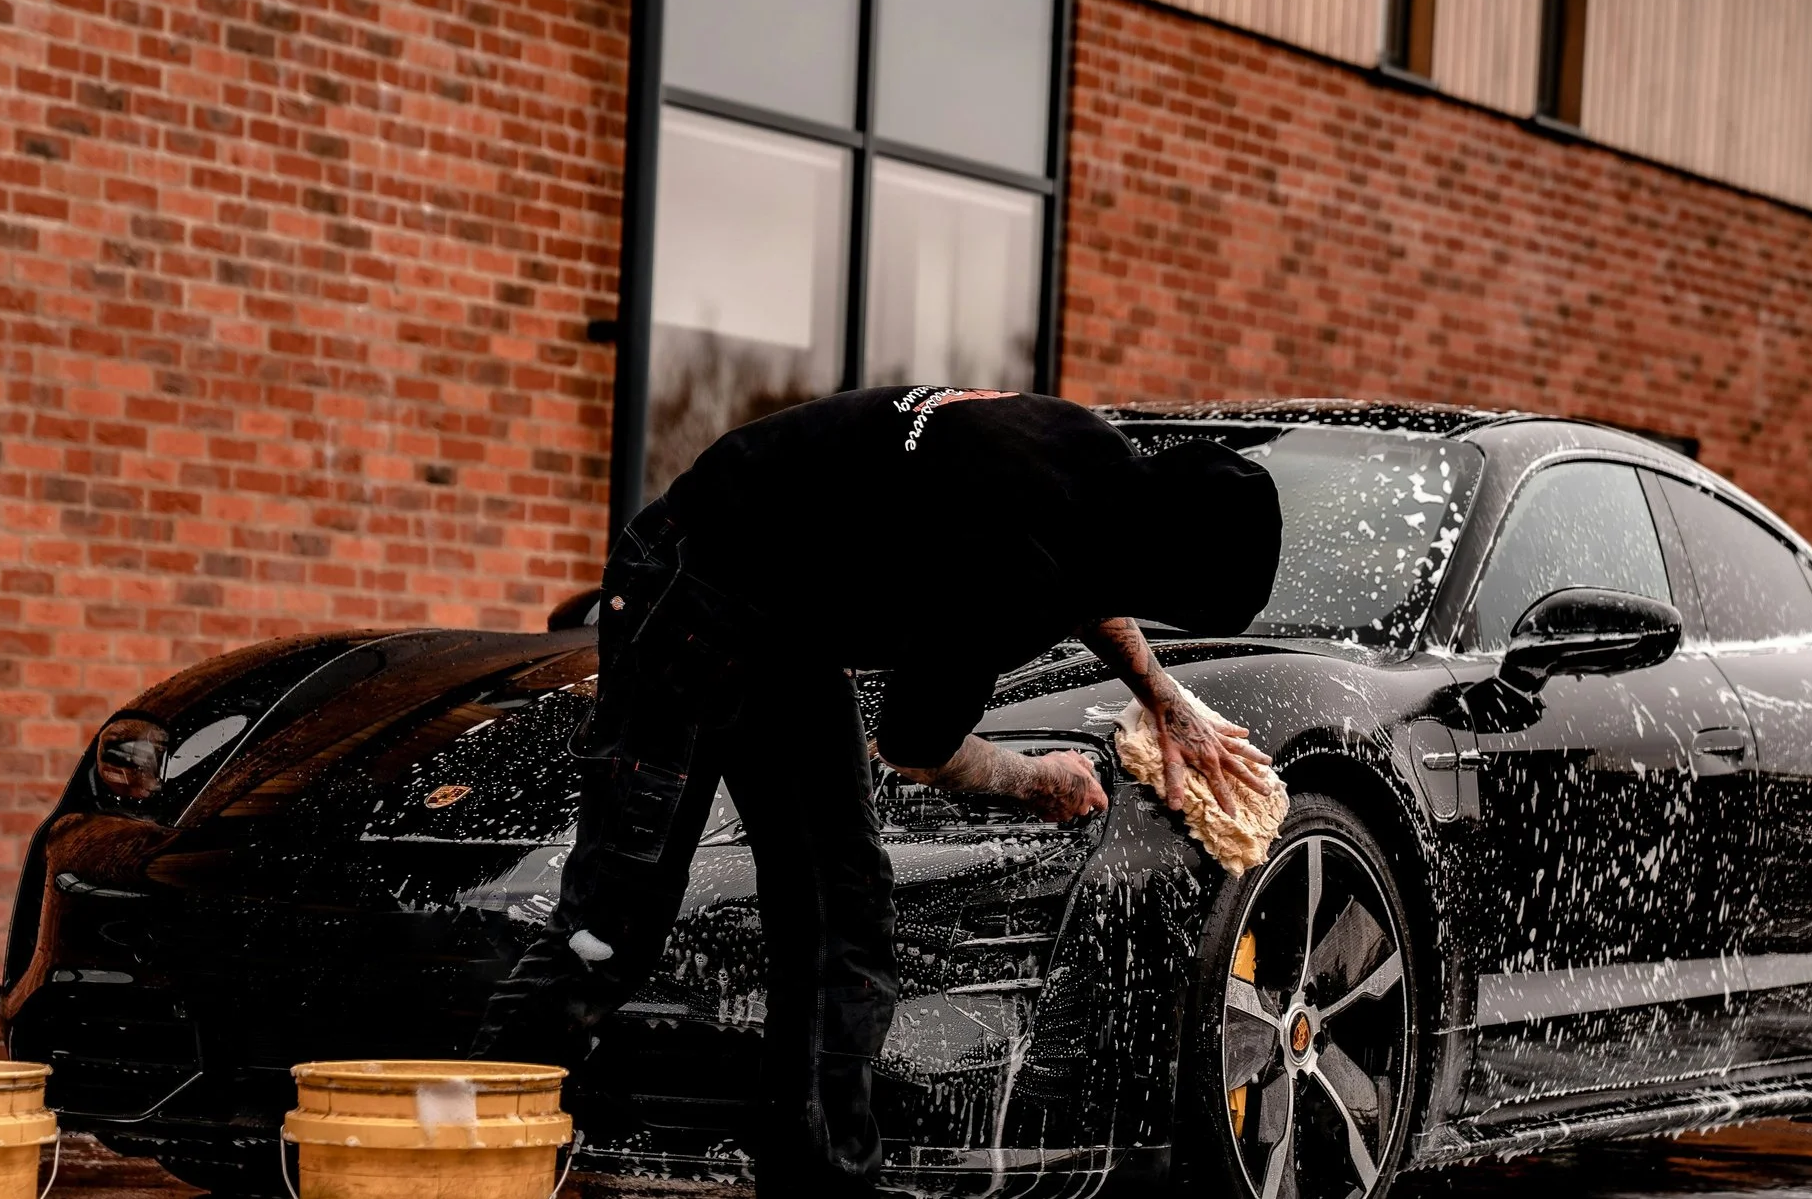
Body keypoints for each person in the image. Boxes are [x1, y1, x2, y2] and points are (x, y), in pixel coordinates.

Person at [472, 386, 1283, 1194]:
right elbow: (916, 748)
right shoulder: (1011, 571)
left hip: (788, 621)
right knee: (613, 924)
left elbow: (1089, 566)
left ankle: (823, 1183)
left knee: (842, 915)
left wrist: (1164, 699)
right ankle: (464, 1156)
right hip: (688, 584)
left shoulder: (1092, 454)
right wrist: (1039, 780)